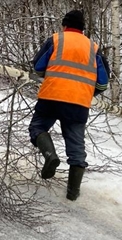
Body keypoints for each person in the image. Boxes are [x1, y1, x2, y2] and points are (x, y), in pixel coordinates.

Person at [28, 10, 110, 201]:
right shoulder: (93, 48)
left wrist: (50, 77)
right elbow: (103, 83)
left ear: (65, 25)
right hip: (78, 103)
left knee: (38, 127)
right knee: (76, 147)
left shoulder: (56, 40)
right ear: (83, 30)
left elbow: (38, 67)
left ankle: (50, 155)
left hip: (51, 96)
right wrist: (87, 91)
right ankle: (73, 193)